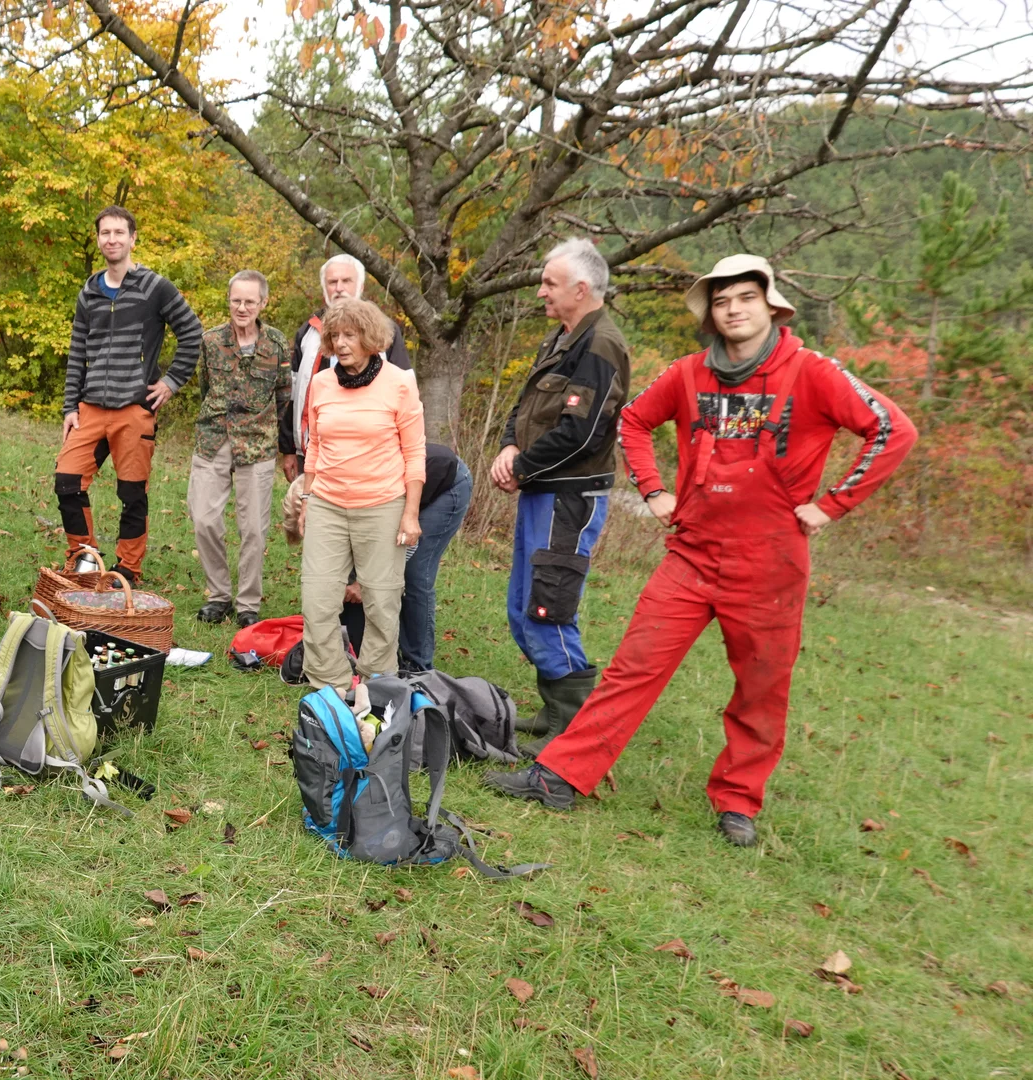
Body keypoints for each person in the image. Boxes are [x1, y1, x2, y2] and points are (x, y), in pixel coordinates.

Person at [484, 254, 918, 847]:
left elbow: (892, 430)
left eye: (745, 298)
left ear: (770, 306)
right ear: (710, 314)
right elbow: (634, 420)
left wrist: (833, 504)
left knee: (761, 687)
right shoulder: (689, 374)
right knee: (634, 669)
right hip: (691, 555)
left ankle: (738, 801)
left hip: (771, 562)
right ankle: (561, 775)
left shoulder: (813, 372)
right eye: (721, 301)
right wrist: (654, 489)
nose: (733, 309)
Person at [487, 238, 631, 748]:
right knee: (523, 605)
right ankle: (555, 714)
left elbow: (583, 432)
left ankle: (574, 730)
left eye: (550, 282)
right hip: (540, 489)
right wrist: (508, 447)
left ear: (581, 288)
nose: (541, 290)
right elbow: (526, 405)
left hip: (568, 498)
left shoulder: (600, 346)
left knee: (547, 607)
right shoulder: (561, 338)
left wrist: (521, 466)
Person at [56, 205, 204, 585]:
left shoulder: (156, 288)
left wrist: (171, 382)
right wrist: (70, 405)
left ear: (133, 238)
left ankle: (128, 569)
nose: (112, 239)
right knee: (67, 481)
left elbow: (192, 333)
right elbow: (77, 351)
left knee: (132, 493)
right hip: (89, 409)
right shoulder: (89, 290)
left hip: (134, 410)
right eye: (105, 233)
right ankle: (84, 560)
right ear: (99, 239)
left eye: (119, 233)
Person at [295, 299, 426, 693]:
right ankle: (329, 686)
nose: (342, 342)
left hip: (383, 506)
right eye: (335, 335)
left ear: (371, 338)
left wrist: (411, 514)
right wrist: (306, 498)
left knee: (382, 605)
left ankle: (376, 685)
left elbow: (415, 453)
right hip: (327, 505)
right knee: (317, 601)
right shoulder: (320, 383)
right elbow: (314, 445)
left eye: (350, 334)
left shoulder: (400, 383)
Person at [189, 270, 290, 627]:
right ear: (228, 300)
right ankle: (218, 596)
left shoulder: (276, 343)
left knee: (254, 529)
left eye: (249, 301)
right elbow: (205, 386)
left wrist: (265, 430)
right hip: (213, 438)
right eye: (236, 300)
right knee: (203, 518)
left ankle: (248, 603)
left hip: (258, 443)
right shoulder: (211, 340)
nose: (242, 307)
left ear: (262, 303)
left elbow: (283, 395)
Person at [338, 442, 473, 673]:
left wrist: (362, 583)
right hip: (408, 488)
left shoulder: (373, 491)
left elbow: (405, 543)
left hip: (446, 483)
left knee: (415, 574)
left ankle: (418, 666)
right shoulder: (337, 489)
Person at [280, 254, 411, 482]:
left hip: (371, 455)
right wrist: (289, 448)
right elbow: (293, 394)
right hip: (313, 451)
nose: (339, 288)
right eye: (332, 282)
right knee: (309, 514)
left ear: (360, 285)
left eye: (346, 281)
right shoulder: (308, 332)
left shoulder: (386, 331)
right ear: (325, 289)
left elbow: (407, 394)